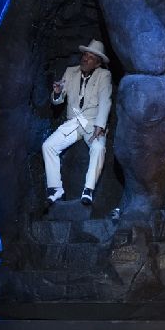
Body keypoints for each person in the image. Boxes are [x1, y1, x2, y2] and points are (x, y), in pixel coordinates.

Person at [42, 39, 112, 206]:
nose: (85, 59)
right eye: (85, 55)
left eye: (90, 57)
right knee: (48, 146)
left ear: (97, 63)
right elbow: (58, 101)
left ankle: (88, 189)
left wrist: (100, 125)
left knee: (98, 148)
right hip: (73, 124)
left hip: (92, 124)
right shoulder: (70, 72)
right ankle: (56, 188)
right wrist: (57, 93)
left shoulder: (103, 75)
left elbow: (105, 100)